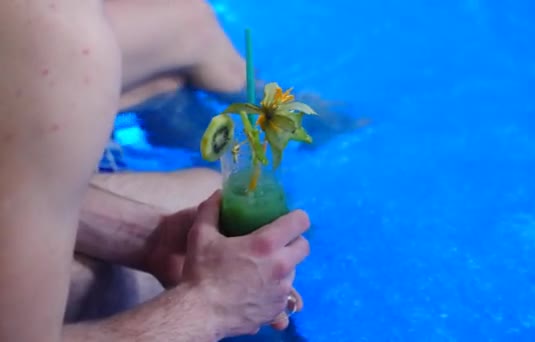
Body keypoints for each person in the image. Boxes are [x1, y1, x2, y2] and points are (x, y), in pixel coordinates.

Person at [0, 0, 310, 341]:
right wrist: (211, 308)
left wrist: (148, 238)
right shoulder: (56, 38)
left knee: (187, 32)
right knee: (105, 278)